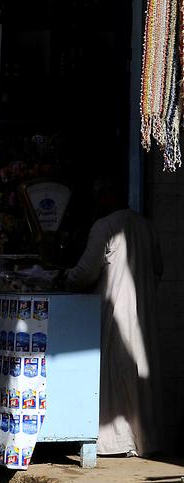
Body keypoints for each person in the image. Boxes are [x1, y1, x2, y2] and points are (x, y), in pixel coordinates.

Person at [65, 178, 163, 456]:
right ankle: (143, 440)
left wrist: (65, 278)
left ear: (107, 197)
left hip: (114, 313)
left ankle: (115, 442)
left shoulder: (105, 226)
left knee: (114, 374)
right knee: (137, 374)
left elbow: (85, 272)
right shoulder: (147, 227)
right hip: (144, 313)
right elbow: (159, 269)